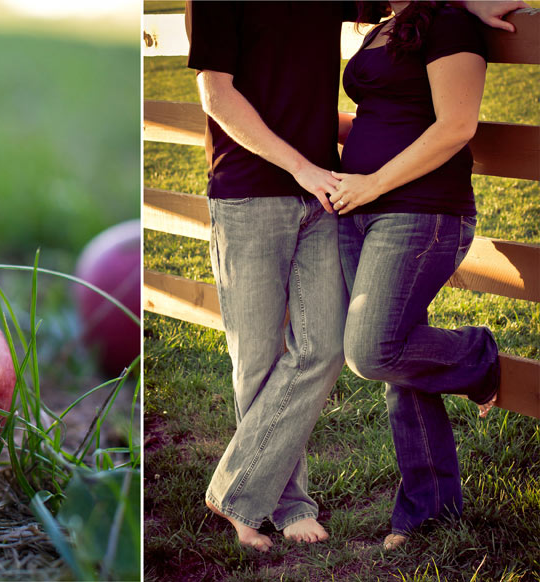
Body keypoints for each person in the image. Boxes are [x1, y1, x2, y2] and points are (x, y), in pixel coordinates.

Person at [185, 0, 526, 551]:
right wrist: (314, 167)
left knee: (345, 350)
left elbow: (444, 87)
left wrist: (470, 1)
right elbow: (217, 93)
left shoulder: (387, 9)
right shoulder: (227, 2)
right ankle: (304, 505)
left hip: (356, 200)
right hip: (283, 192)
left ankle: (475, 360)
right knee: (268, 356)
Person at [328, 1, 502, 550]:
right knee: (401, 359)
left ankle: (477, 356)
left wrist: (373, 182)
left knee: (372, 351)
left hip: (421, 211)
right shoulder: (384, 24)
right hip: (359, 207)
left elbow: (456, 125)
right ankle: (428, 509)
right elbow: (379, 117)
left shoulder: (450, 21)